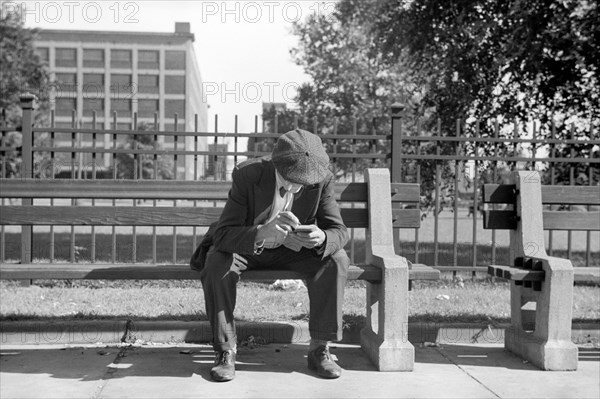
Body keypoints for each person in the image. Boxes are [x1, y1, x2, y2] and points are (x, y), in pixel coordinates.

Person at [199, 129, 350, 382]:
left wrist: (322, 238)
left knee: (336, 259)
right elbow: (224, 234)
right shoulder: (248, 174)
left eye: (302, 181)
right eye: (289, 178)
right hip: (249, 249)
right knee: (217, 262)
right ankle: (226, 351)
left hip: (294, 252)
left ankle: (319, 348)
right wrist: (261, 232)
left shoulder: (322, 179)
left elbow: (339, 230)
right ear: (275, 164)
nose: (294, 186)